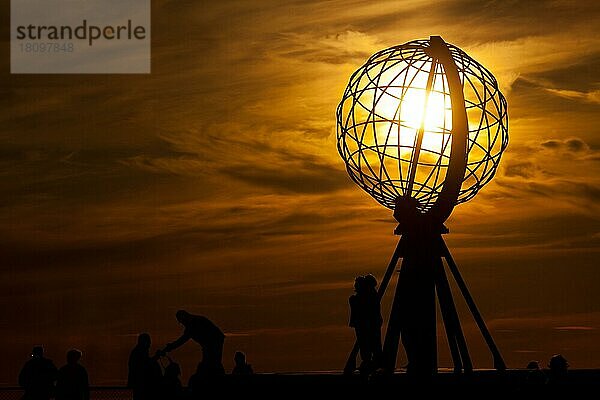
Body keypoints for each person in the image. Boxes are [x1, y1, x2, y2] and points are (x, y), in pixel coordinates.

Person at [160, 310, 226, 376]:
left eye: (182, 321)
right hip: (210, 343)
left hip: (214, 342)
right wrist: (171, 346)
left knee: (213, 363)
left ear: (184, 318)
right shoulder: (192, 323)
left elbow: (182, 340)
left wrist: (171, 346)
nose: (182, 324)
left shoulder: (193, 323)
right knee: (210, 362)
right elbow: (183, 339)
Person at [349, 275, 380, 374]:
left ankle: (371, 361)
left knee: (368, 342)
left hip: (366, 323)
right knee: (368, 343)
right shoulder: (371, 296)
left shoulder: (369, 296)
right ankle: (370, 361)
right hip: (367, 323)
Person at [127, 333, 162, 400]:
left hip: (137, 385)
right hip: (139, 385)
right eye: (148, 342)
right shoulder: (139, 352)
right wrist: (156, 357)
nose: (149, 345)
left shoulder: (137, 352)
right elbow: (146, 364)